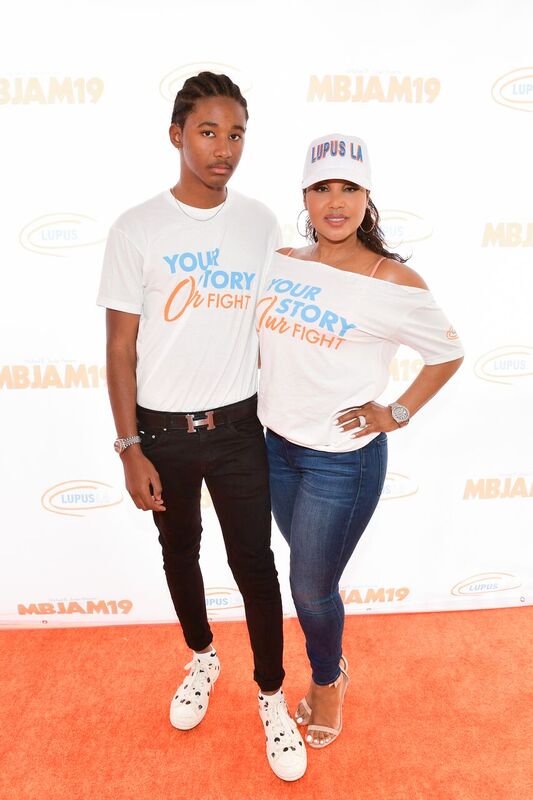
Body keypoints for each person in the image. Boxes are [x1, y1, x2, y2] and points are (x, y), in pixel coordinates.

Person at [96, 72, 306, 782]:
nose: (224, 148)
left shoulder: (259, 224)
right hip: (160, 432)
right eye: (208, 132)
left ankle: (272, 696)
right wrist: (129, 447)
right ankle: (201, 655)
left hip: (239, 426)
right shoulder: (137, 228)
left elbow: (274, 327)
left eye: (236, 133)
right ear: (177, 135)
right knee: (178, 547)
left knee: (255, 564)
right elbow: (120, 347)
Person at [256, 133, 464, 749]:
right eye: (322, 187)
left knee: (308, 587)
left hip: (340, 463)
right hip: (277, 449)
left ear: (368, 195)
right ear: (305, 195)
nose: (336, 201)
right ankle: (331, 660)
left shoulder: (392, 279)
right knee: (312, 576)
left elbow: (447, 353)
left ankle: (327, 680)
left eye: (349, 187)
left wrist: (395, 412)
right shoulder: (284, 259)